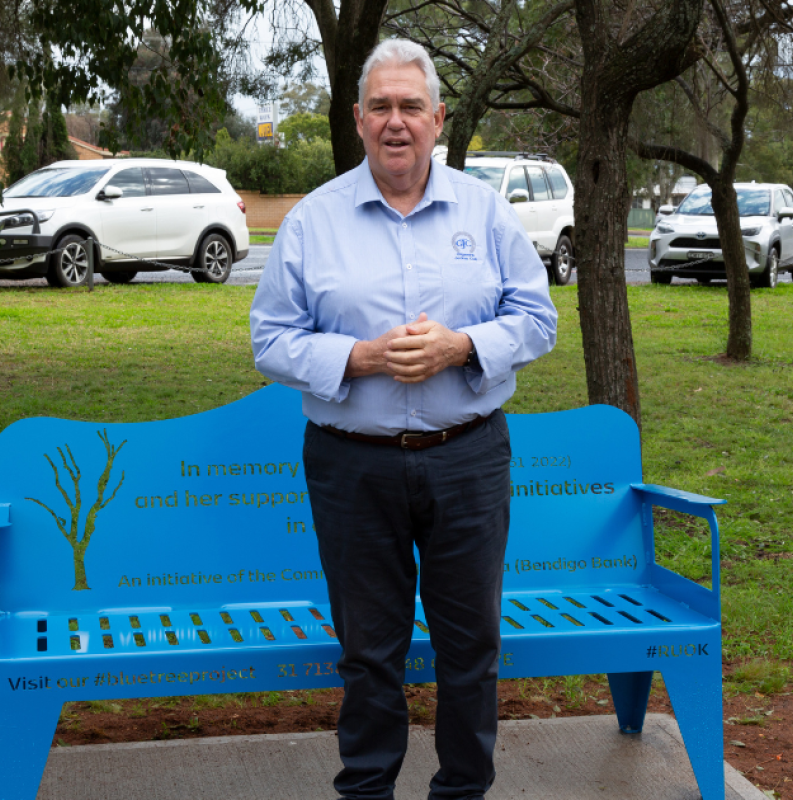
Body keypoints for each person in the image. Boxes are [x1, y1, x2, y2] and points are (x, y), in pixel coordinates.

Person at [249, 38, 557, 800]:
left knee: (470, 648)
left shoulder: (486, 213)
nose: (396, 122)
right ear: (357, 119)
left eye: (411, 106)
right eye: (380, 106)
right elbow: (270, 339)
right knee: (368, 652)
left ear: (438, 118)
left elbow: (538, 318)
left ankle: (462, 790)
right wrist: (361, 359)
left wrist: (462, 345)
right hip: (353, 464)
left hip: (468, 456)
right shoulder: (314, 220)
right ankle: (368, 791)